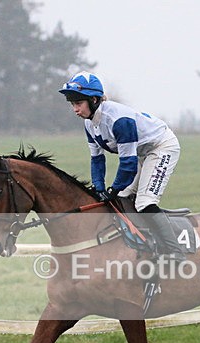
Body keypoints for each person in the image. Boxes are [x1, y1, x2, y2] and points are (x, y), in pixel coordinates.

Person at [59, 71, 186, 262]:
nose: (75, 109)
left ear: (93, 100)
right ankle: (144, 241)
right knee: (121, 198)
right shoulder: (89, 124)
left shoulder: (119, 121)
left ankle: (175, 250)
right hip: (142, 152)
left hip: (162, 147)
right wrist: (99, 188)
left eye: (78, 103)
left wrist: (113, 188)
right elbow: (97, 160)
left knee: (144, 202)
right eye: (72, 104)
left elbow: (128, 165)